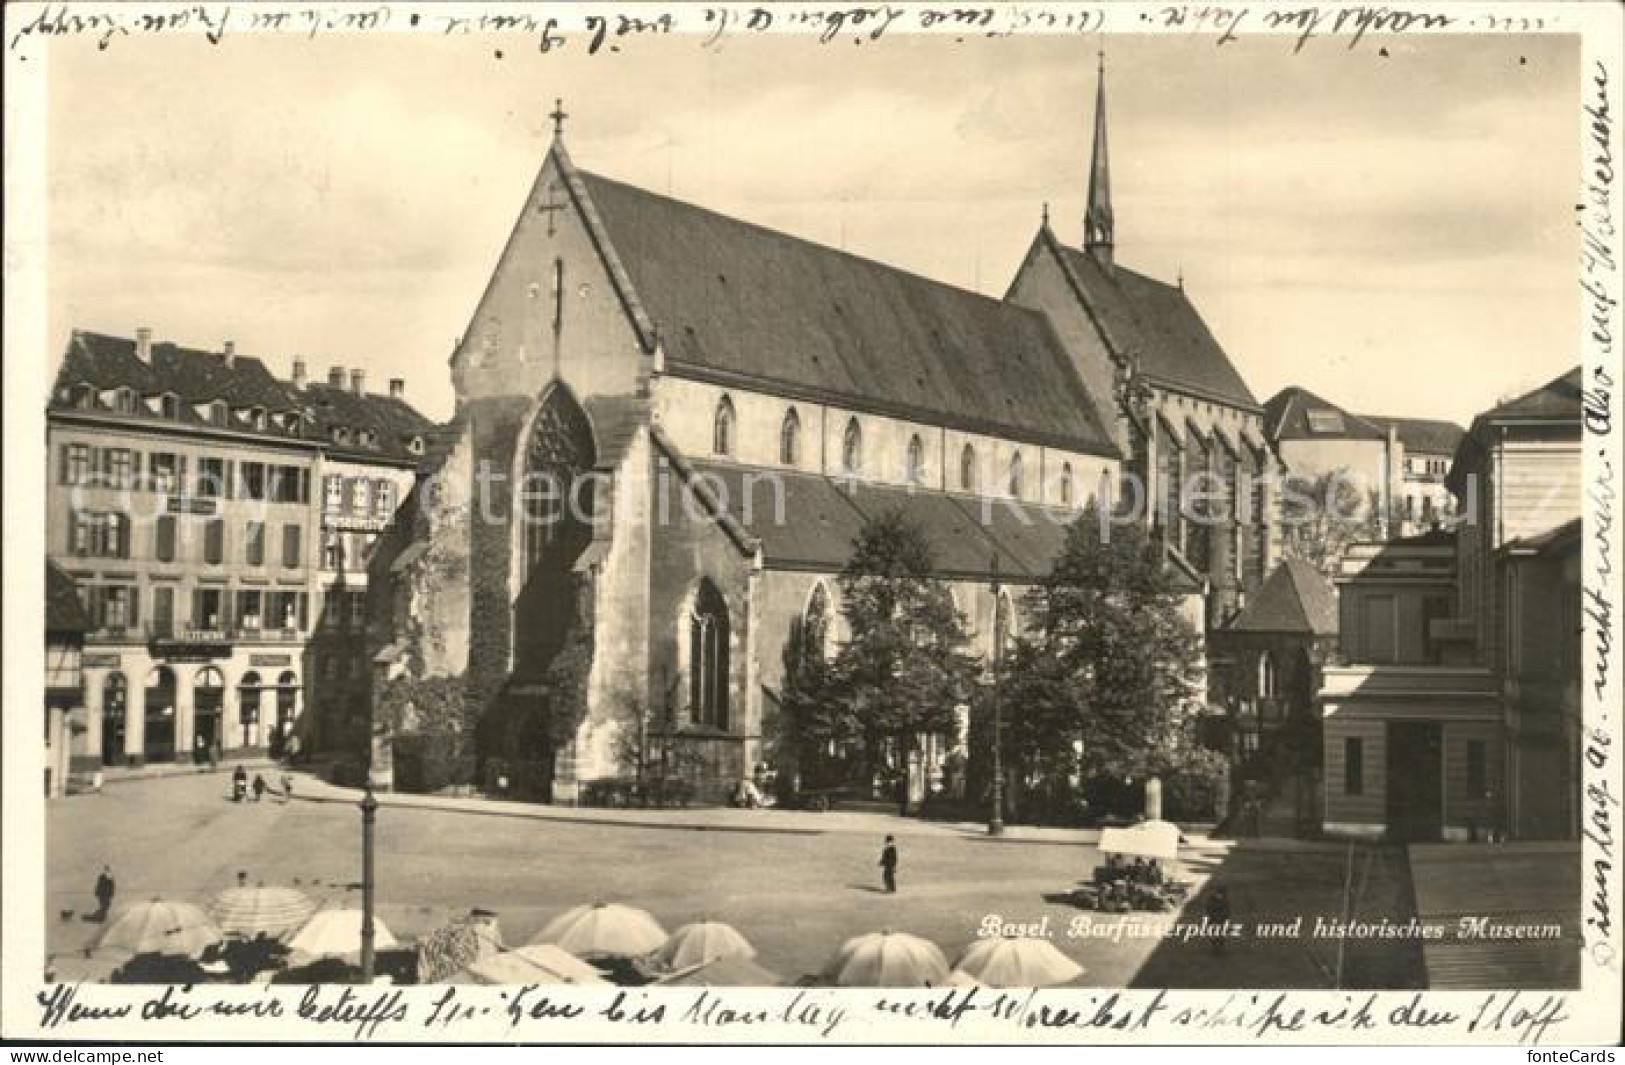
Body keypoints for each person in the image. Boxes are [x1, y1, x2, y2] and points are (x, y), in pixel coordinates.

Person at [1205, 884, 1232, 954]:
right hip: (1217, 919)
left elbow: (1208, 909)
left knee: (1217, 934)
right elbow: (1227, 911)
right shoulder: (1224, 900)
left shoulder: (1214, 899)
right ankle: (1217, 946)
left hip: (1218, 919)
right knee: (1217, 934)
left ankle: (1217, 946)